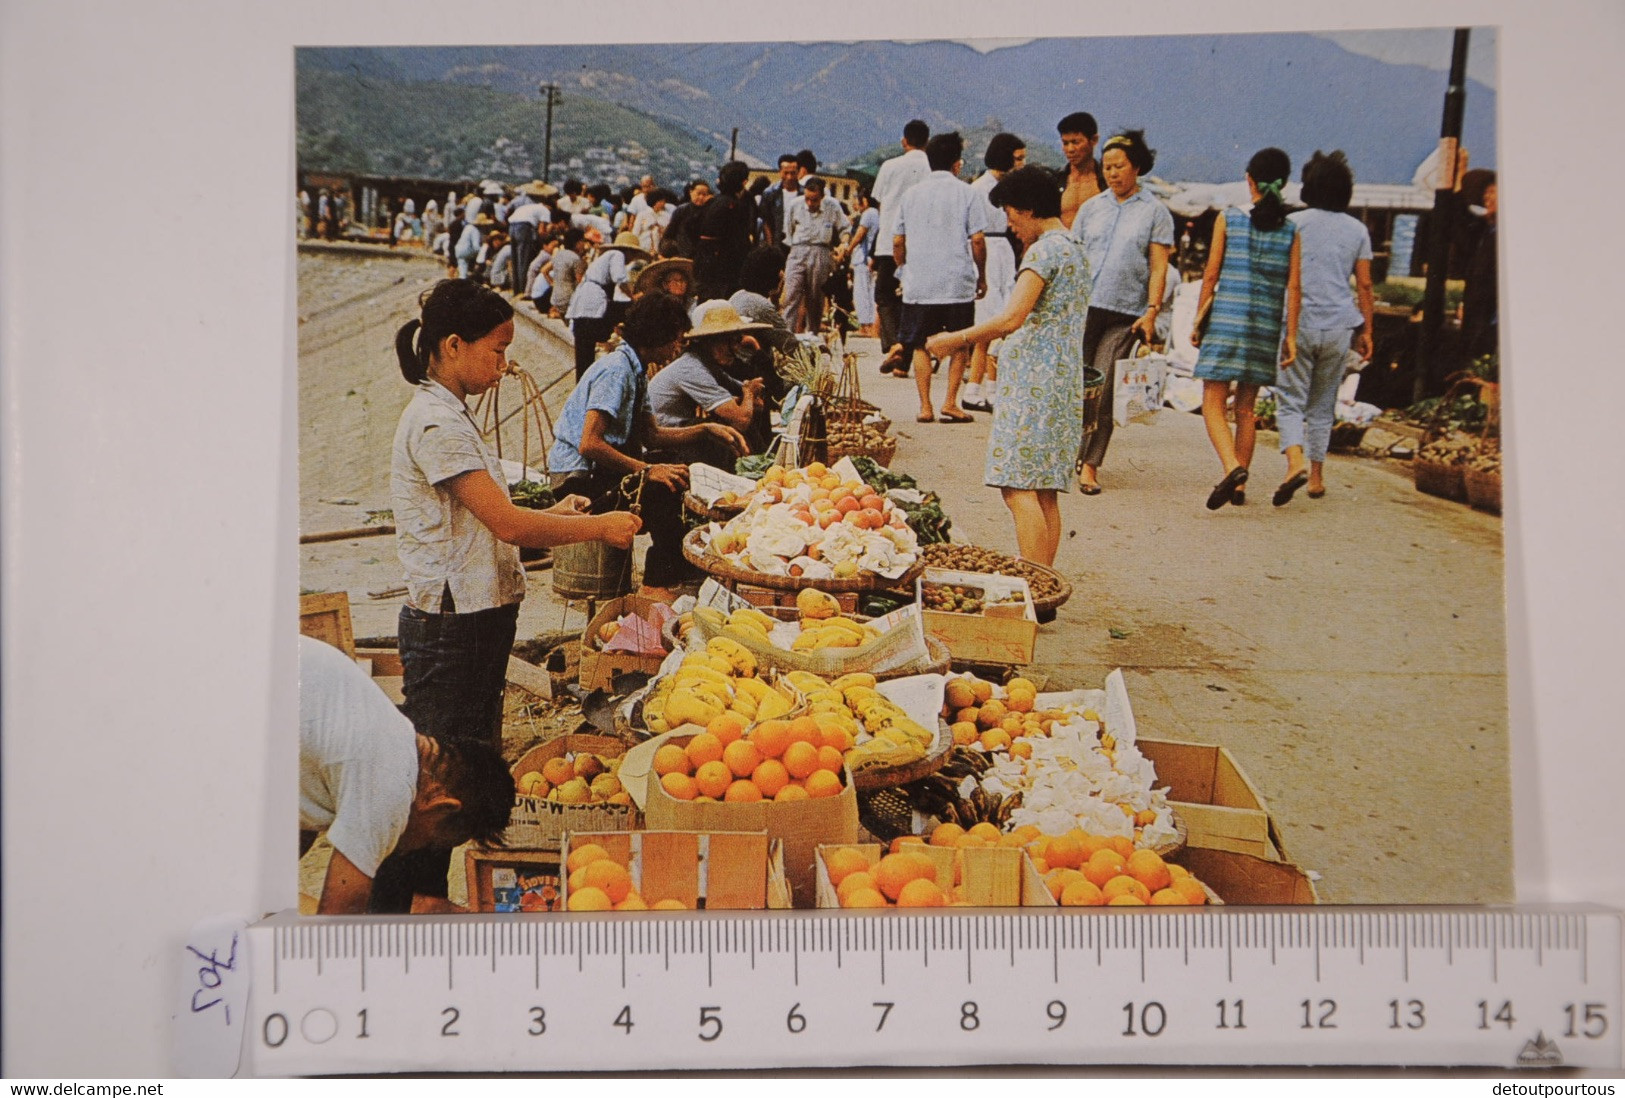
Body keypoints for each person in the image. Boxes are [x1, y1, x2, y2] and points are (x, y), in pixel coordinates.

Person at [383, 281, 640, 910]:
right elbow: (508, 525)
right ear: (452, 345)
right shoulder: (436, 422)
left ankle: (425, 894)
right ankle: (402, 901)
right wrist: (595, 527)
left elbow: (487, 520)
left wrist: (557, 510)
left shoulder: (452, 414)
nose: (504, 365)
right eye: (496, 350)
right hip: (451, 628)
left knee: (461, 766)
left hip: (476, 618)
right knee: (435, 775)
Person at [923, 166, 1090, 568]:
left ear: (1029, 208)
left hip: (1035, 381)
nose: (1010, 225)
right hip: (1061, 379)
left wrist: (956, 338)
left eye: (1011, 214)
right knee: (1043, 489)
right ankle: (1045, 585)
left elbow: (1013, 317)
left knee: (1017, 488)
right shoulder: (1075, 247)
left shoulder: (1045, 250)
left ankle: (1034, 585)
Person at [548, 293, 748, 599]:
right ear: (657, 336)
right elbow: (590, 444)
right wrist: (649, 470)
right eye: (676, 339)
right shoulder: (616, 370)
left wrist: (705, 430)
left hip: (602, 471)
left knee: (677, 470)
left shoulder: (636, 370)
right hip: (577, 483)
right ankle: (657, 584)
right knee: (663, 489)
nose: (678, 347)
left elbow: (651, 436)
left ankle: (676, 570)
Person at [299, 636, 513, 914]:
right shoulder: (391, 786)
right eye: (430, 843)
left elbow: (296, 820)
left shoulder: (394, 733)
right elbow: (338, 920)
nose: (407, 852)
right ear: (442, 804)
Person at [1190, 147, 1302, 510]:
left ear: (1248, 179)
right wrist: (1291, 336)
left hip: (1226, 321)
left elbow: (1211, 273)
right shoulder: (1291, 231)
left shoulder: (1229, 219)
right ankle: (1238, 489)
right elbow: (1294, 287)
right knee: (1246, 408)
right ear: (1283, 184)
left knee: (1213, 400)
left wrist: (1197, 320)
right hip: (1264, 326)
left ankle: (1232, 467)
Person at [1072, 130, 1175, 494]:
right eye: (1108, 167)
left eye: (1120, 166)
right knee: (1074, 384)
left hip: (1124, 313)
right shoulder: (1092, 208)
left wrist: (1151, 311)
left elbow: (1159, 267)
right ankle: (1070, 451)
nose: (1113, 173)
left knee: (1102, 387)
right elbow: (1074, 255)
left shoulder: (1156, 213)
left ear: (1137, 167)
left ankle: (1090, 464)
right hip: (1084, 308)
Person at [1279, 150, 1375, 503]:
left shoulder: (1295, 224)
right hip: (1339, 327)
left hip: (1297, 323)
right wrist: (1367, 330)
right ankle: (1317, 476)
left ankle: (1294, 463)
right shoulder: (1357, 230)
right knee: (1323, 404)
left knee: (1290, 399)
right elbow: (1364, 285)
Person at [894, 131, 988, 423]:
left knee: (921, 343)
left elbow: (898, 240)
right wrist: (981, 275)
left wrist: (903, 268)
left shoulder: (910, 195)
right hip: (956, 282)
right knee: (959, 342)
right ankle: (950, 403)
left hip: (920, 282)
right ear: (957, 165)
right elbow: (978, 240)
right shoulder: (968, 193)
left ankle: (925, 406)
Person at [649, 300, 773, 457]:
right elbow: (741, 420)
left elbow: (749, 396)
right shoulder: (692, 368)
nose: (735, 348)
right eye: (727, 341)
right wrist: (748, 393)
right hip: (666, 437)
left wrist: (748, 395)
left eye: (736, 340)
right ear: (709, 341)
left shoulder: (708, 365)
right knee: (726, 431)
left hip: (681, 430)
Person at [963, 133, 1027, 412]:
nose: (1022, 163)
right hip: (987, 248)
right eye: (1018, 158)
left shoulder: (1010, 186)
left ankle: (989, 387)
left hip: (1003, 250)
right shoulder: (980, 188)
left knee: (1003, 320)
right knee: (990, 323)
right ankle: (977, 389)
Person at [870, 120, 931, 369]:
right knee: (911, 298)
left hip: (889, 241)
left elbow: (880, 202)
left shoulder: (889, 166)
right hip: (921, 243)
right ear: (926, 142)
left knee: (884, 295)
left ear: (904, 141)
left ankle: (894, 342)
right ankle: (904, 357)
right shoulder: (931, 167)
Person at [566, 231, 652, 379]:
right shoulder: (617, 255)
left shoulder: (605, 259)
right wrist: (633, 297)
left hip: (584, 304)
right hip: (592, 302)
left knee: (584, 358)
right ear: (629, 252)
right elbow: (620, 279)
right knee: (628, 309)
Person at [781, 177, 852, 334]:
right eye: (807, 199)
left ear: (822, 196)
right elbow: (788, 232)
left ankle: (812, 334)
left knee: (816, 297)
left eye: (814, 200)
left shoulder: (832, 206)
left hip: (821, 251)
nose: (810, 204)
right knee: (791, 294)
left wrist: (843, 244)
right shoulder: (795, 205)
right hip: (798, 250)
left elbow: (845, 229)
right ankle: (786, 336)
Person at [694, 161, 754, 301]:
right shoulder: (735, 206)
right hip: (726, 265)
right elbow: (740, 241)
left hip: (703, 260)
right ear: (744, 182)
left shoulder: (712, 202)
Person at [1056, 111, 1104, 230]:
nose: (1070, 149)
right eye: (1065, 143)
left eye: (1076, 142)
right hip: (1063, 246)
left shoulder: (1106, 181)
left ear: (1093, 140)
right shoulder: (1056, 180)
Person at [849, 191, 880, 337]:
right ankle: (871, 326)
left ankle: (865, 326)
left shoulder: (868, 213)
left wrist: (848, 249)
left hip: (863, 258)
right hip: (871, 258)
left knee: (862, 293)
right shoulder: (878, 213)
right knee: (870, 292)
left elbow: (860, 234)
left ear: (865, 201)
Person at [756, 154, 802, 249]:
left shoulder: (804, 194)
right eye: (786, 173)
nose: (789, 177)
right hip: (777, 242)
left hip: (799, 243)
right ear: (780, 172)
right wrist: (770, 245)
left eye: (793, 173)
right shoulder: (770, 193)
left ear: (798, 172)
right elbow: (765, 221)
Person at [662, 179, 711, 259]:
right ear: (691, 192)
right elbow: (669, 235)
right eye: (698, 194)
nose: (701, 197)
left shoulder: (710, 211)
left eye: (704, 194)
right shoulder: (681, 210)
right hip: (681, 252)